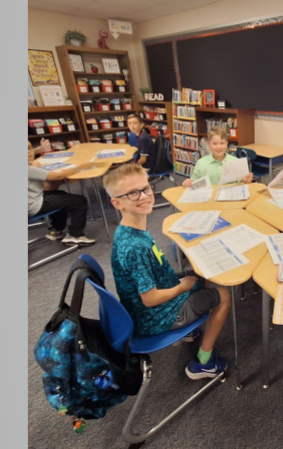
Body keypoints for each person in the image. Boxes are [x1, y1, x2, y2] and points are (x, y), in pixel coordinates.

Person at [105, 163, 230, 378]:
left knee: (201, 274)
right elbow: (150, 299)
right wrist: (182, 287)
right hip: (155, 316)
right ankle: (204, 362)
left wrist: (184, 284)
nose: (144, 196)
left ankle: (189, 331)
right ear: (117, 203)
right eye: (132, 193)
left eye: (146, 188)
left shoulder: (131, 229)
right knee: (224, 295)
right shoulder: (135, 246)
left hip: (151, 305)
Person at [29, 139, 92, 245]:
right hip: (33, 205)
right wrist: (80, 166)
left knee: (62, 196)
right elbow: (58, 176)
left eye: (29, 148)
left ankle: (57, 230)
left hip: (30, 201)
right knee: (79, 201)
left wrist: (39, 153)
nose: (29, 152)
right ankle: (75, 235)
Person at [182, 128, 254, 187]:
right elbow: (194, 182)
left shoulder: (235, 162)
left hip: (229, 200)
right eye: (215, 144)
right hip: (209, 201)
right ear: (209, 145)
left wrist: (246, 180)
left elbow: (241, 184)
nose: (219, 147)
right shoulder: (201, 163)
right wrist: (188, 182)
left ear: (226, 144)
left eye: (222, 143)